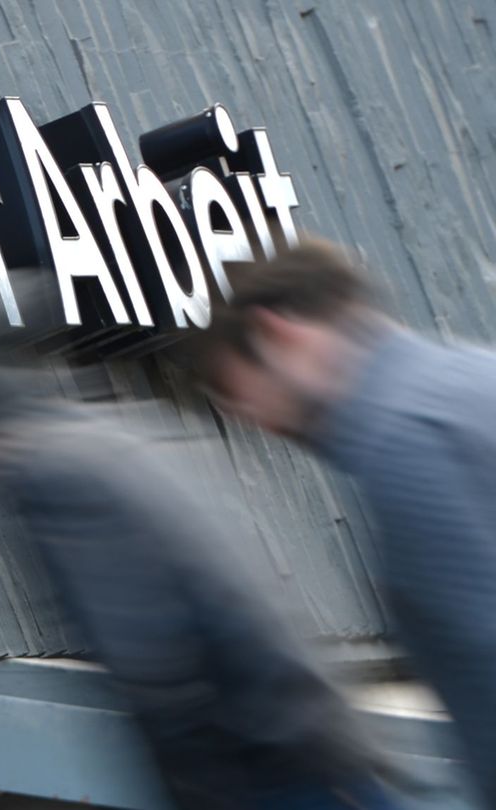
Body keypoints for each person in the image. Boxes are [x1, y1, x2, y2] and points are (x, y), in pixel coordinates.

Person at [0, 285, 402, 809]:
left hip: (273, 767)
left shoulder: (52, 478)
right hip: (313, 746)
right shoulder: (97, 442)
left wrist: (200, 792)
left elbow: (153, 658)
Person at [194, 237, 496, 807]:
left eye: (239, 394)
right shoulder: (474, 379)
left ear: (276, 336)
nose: (253, 420)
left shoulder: (407, 443)